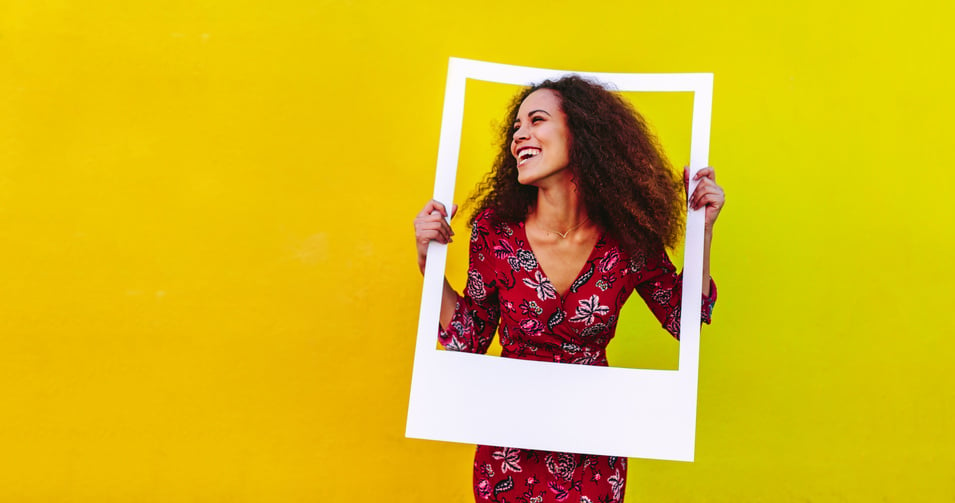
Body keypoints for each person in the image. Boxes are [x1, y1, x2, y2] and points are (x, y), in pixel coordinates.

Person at [413, 75, 725, 503]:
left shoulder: (628, 238)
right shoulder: (494, 230)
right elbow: (468, 339)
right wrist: (430, 266)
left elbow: (683, 319)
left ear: (582, 133)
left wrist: (702, 232)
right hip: (510, 447)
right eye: (516, 128)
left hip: (592, 443)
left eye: (536, 120)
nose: (518, 136)